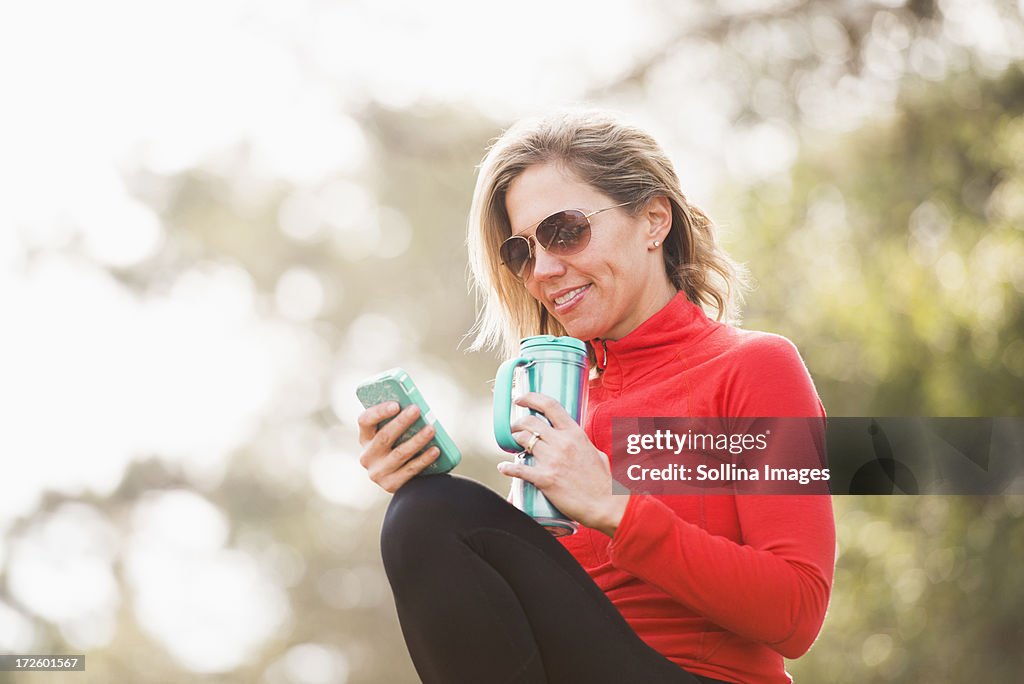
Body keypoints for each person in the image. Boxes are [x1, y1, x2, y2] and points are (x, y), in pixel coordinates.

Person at [357, 110, 836, 684]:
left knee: (431, 515)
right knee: (422, 511)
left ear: (654, 220)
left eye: (565, 230)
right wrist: (421, 481)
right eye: (521, 251)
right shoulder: (555, 397)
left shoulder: (754, 367)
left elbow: (797, 614)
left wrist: (614, 506)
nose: (544, 269)